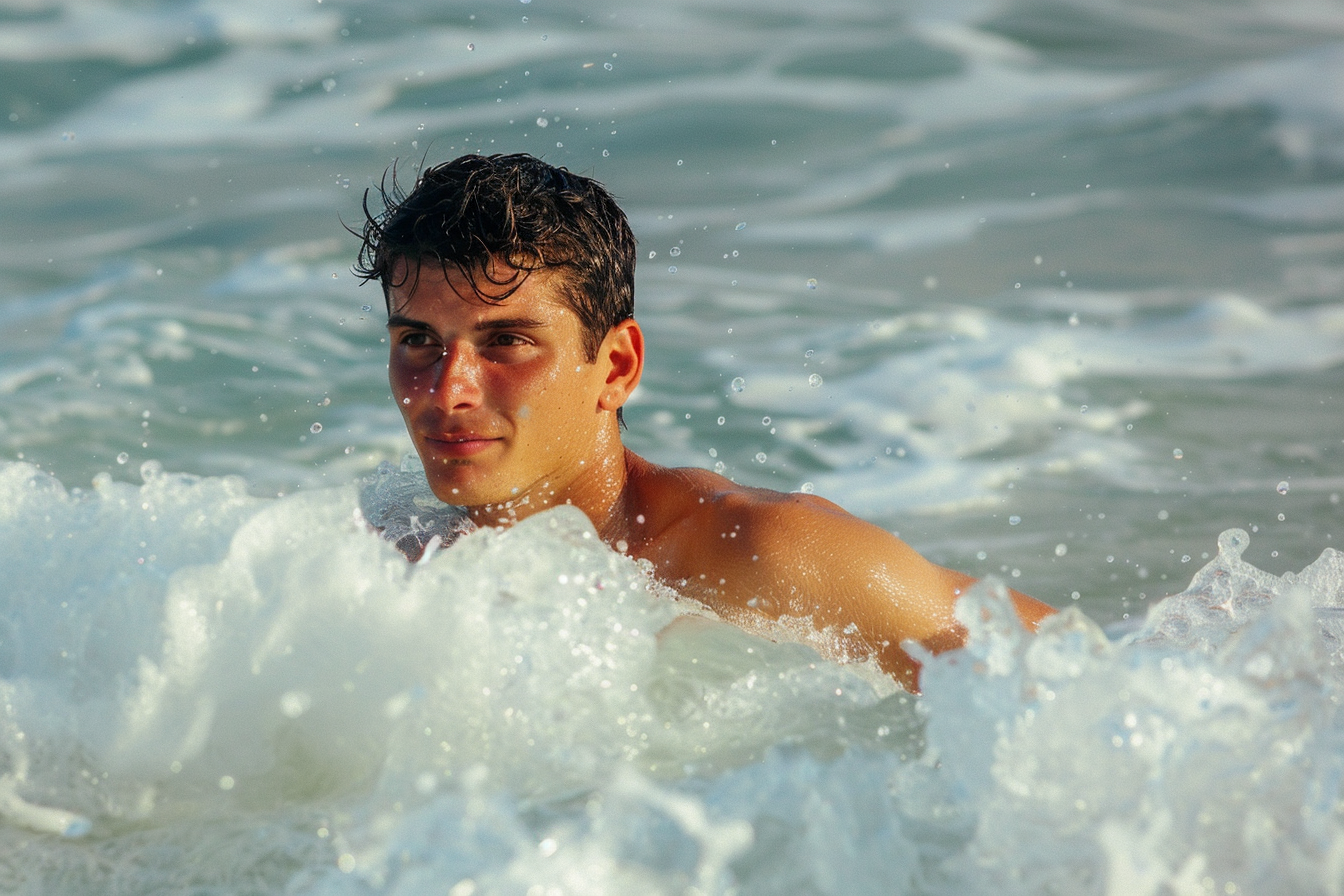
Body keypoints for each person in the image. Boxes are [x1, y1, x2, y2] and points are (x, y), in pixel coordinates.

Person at [354, 152, 1054, 690]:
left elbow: (1087, 687)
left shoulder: (762, 557)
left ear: (619, 366)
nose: (446, 392)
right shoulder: (375, 572)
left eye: (506, 342)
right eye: (417, 341)